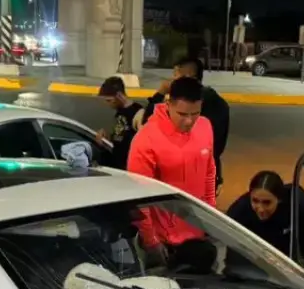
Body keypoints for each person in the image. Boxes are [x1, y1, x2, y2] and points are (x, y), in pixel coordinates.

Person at [128, 76, 217, 262]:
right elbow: (138, 199)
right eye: (182, 114)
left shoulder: (205, 126)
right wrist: (151, 241)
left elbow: (209, 174)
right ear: (168, 104)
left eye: (195, 113)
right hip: (165, 244)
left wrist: (212, 220)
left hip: (199, 236)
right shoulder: (146, 139)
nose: (189, 121)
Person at [143, 57, 231, 190]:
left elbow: (147, 122)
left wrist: (160, 94)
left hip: (188, 178)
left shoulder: (187, 106)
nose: (171, 82)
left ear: (188, 77)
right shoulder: (215, 102)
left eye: (175, 77)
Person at [226, 170, 304, 259]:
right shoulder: (238, 212)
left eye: (267, 202)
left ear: (279, 199)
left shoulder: (297, 206)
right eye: (255, 201)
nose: (260, 209)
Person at [96, 76, 144, 170]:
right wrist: (106, 139)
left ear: (119, 95)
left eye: (109, 100)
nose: (108, 104)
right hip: (116, 164)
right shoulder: (119, 111)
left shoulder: (138, 113)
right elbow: (120, 136)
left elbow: (143, 144)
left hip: (127, 167)